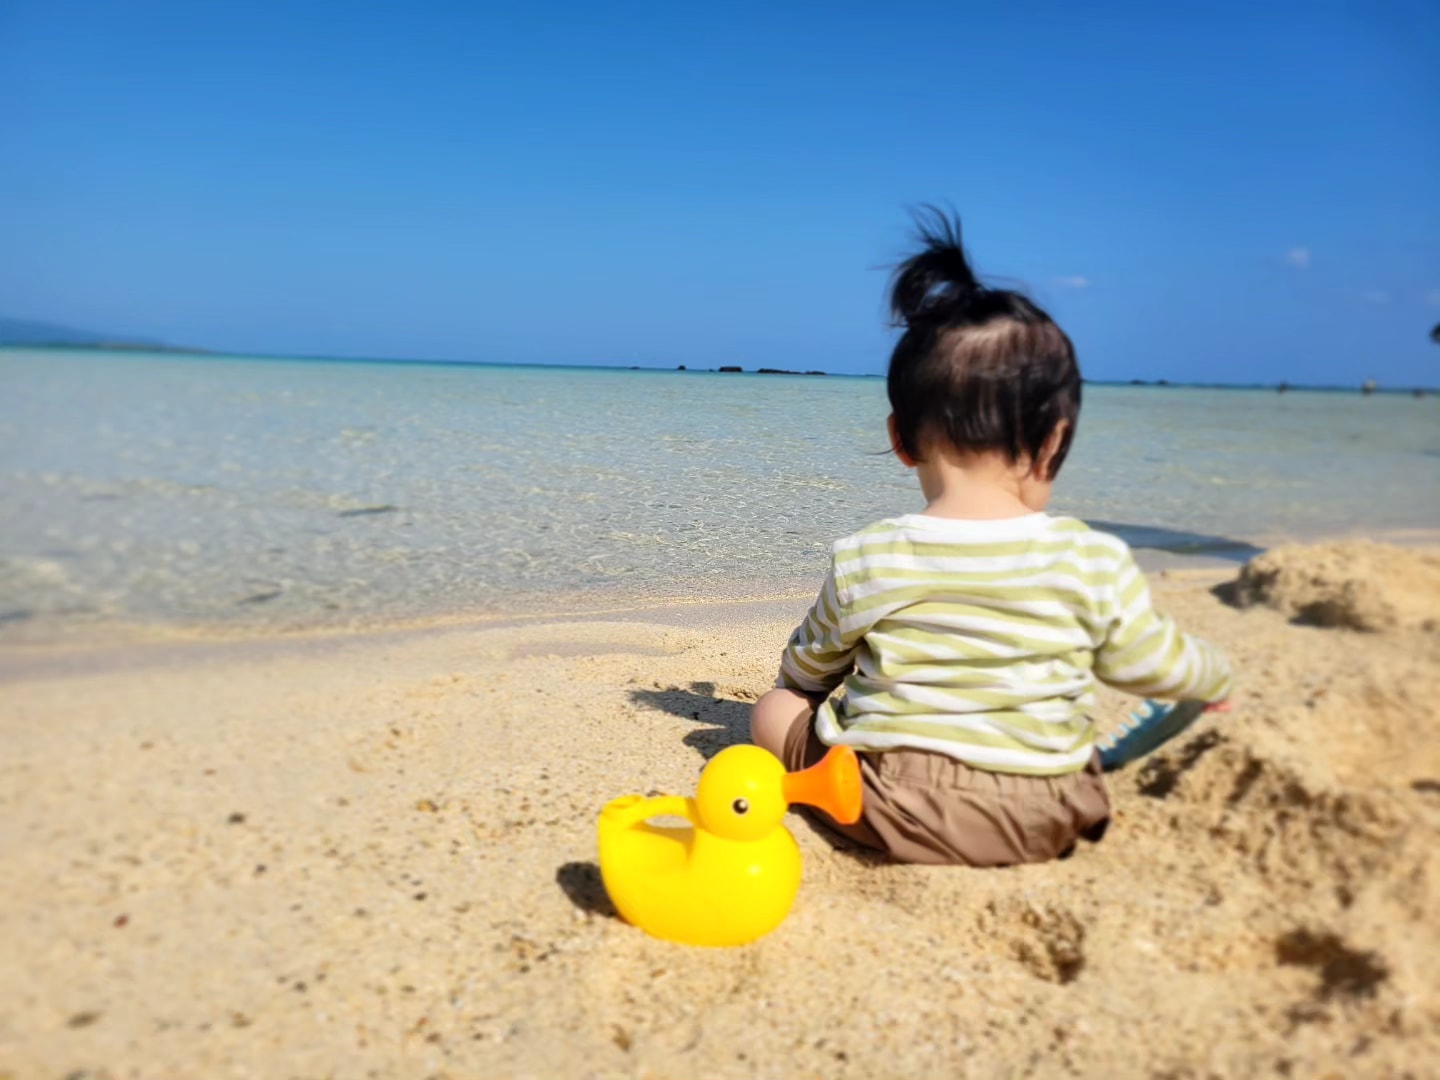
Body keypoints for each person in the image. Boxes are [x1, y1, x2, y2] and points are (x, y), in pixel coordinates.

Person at [750, 210, 1233, 866]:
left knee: (774, 711)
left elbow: (811, 663)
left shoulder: (871, 555)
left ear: (899, 440)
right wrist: (1215, 672)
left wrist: (800, 689)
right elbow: (1150, 665)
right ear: (1055, 440)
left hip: (893, 804)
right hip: (1049, 810)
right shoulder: (1092, 559)